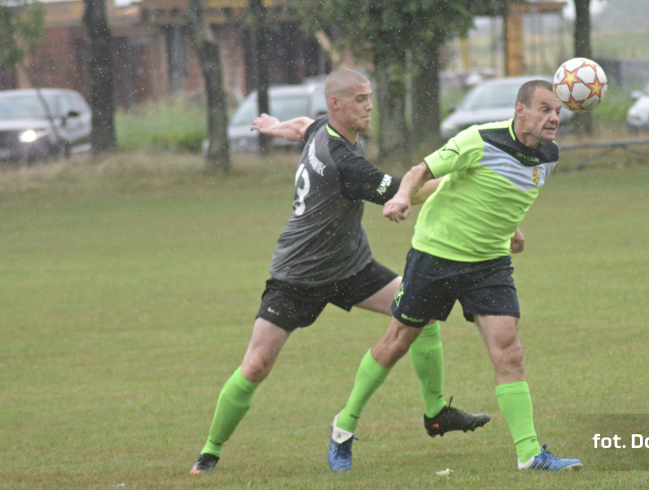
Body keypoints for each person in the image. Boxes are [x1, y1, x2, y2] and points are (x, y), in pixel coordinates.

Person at [190, 68, 490, 474]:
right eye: (361, 99)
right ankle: (209, 453)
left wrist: (277, 127)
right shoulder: (344, 163)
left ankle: (436, 412)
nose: (370, 106)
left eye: (370, 97)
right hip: (297, 275)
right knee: (256, 365)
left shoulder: (326, 130)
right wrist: (462, 181)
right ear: (337, 104)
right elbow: (409, 192)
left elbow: (303, 127)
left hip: (351, 267)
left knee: (421, 308)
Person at [327, 80, 582, 472]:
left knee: (509, 350)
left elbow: (503, 191)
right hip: (436, 255)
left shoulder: (549, 155)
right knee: (396, 342)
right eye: (545, 109)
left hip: (489, 263)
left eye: (557, 112)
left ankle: (529, 454)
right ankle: (343, 428)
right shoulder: (478, 139)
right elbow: (420, 171)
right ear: (520, 111)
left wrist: (510, 228)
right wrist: (399, 196)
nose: (553, 118)